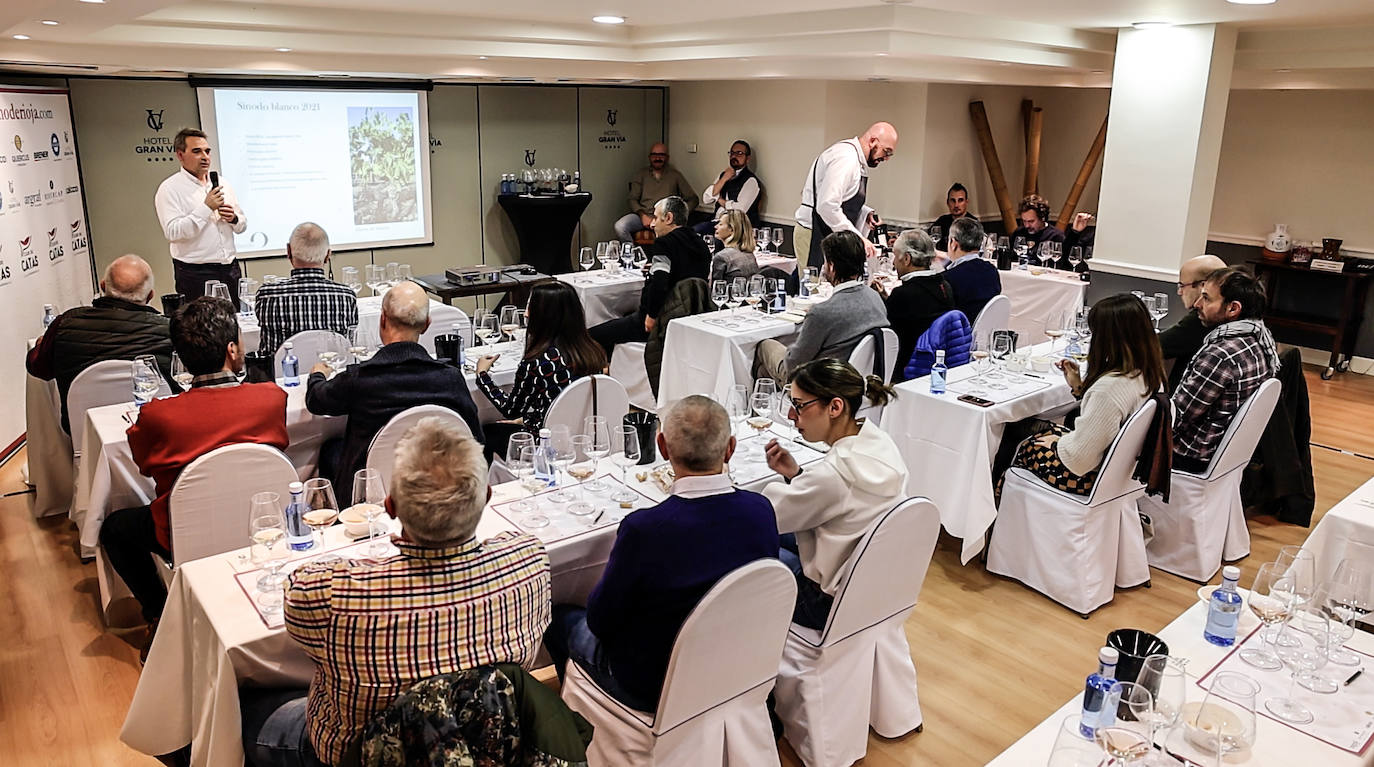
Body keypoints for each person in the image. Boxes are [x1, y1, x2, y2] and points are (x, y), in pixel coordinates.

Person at [243, 417, 550, 767]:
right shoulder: (531, 559)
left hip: (358, 757)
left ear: (389, 507)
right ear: (487, 497)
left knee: (243, 707)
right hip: (489, 742)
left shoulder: (327, 593)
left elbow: (297, 588)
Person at [544, 396, 778, 712]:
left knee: (558, 617)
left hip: (657, 683)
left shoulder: (645, 529)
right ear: (730, 448)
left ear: (663, 448)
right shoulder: (760, 509)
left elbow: (600, 621)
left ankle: (584, 727)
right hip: (738, 659)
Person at [99, 297, 287, 642]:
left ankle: (159, 616)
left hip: (183, 535)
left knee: (113, 528)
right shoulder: (271, 398)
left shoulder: (158, 416)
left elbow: (143, 465)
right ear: (232, 350)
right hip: (262, 524)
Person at [304, 281, 483, 507]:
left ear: (382, 320)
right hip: (436, 484)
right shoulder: (450, 378)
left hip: (369, 491)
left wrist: (317, 375)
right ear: (427, 325)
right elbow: (475, 439)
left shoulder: (361, 378)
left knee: (331, 449)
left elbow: (316, 401)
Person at [761, 359, 907, 629]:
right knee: (776, 541)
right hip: (869, 588)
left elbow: (765, 515)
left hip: (822, 604)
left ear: (835, 407)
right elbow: (837, 503)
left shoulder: (833, 475)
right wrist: (796, 475)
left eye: (799, 405)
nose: (792, 416)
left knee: (745, 549)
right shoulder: (881, 443)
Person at [993, 294, 1166, 501]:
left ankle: (996, 509)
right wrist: (1079, 388)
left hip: (1085, 476)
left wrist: (1057, 445)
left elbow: (1078, 461)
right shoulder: (1149, 375)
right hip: (1119, 475)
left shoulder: (1108, 388)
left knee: (1016, 440)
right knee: (1025, 427)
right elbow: (1105, 420)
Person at [26, 254, 176, 433]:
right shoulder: (170, 330)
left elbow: (37, 368)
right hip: (156, 434)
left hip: (85, 438)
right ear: (151, 295)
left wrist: (44, 342)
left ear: (102, 285)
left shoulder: (65, 323)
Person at [475, 281, 607, 459]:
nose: (526, 313)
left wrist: (482, 375)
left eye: (530, 307)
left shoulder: (537, 361)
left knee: (485, 432)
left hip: (544, 442)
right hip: (586, 436)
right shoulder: (593, 350)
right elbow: (568, 400)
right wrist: (526, 419)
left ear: (542, 315)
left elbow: (511, 409)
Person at [1172, 268, 1279, 474]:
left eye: (1206, 298)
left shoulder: (1221, 354)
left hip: (1189, 457)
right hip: (1225, 459)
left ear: (1233, 309)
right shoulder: (1260, 339)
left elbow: (1176, 419)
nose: (1197, 305)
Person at [754, 231, 888, 384]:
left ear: (831, 266)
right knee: (764, 371)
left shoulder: (822, 312)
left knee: (764, 344)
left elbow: (792, 365)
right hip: (858, 377)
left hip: (822, 381)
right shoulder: (875, 298)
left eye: (825, 262)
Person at [590, 196, 710, 359]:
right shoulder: (700, 244)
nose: (652, 224)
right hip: (689, 318)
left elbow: (660, 283)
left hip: (661, 319)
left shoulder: (664, 244)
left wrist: (651, 316)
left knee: (590, 336)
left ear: (668, 218)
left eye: (655, 217)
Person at [154, 128, 247, 306]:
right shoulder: (169, 188)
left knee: (235, 323)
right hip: (195, 273)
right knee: (201, 328)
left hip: (230, 268)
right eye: (197, 151)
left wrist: (234, 218)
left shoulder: (222, 183)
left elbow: (242, 224)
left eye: (207, 151)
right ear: (180, 155)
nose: (205, 156)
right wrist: (206, 208)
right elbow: (173, 232)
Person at [793, 122, 899, 269]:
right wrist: (857, 238)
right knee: (816, 288)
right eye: (886, 152)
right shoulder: (846, 158)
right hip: (814, 233)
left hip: (829, 234)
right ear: (873, 141)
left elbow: (842, 198)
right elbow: (827, 205)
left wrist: (865, 213)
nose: (886, 158)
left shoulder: (856, 159)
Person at [252, 223, 359, 356]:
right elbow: (350, 343)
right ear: (328, 255)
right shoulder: (347, 296)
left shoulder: (266, 295)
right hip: (334, 373)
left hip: (281, 375)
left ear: (288, 251)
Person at [872, 229, 954, 382]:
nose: (894, 263)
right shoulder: (944, 286)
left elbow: (888, 334)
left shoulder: (903, 295)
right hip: (938, 363)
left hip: (907, 369)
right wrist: (886, 297)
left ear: (907, 259)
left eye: (896, 256)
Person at [1159, 254, 1228, 393]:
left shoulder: (1207, 319)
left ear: (1204, 285)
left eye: (1182, 285)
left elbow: (1156, 346)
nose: (1179, 292)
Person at [614, 143, 698, 242]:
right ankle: (634, 254)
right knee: (620, 226)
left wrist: (678, 215)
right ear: (649, 157)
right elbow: (632, 199)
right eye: (654, 155)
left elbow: (693, 199)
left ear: (667, 158)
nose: (657, 158)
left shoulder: (675, 175)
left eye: (661, 155)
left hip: (665, 218)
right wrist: (642, 216)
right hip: (644, 215)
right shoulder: (641, 174)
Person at [694, 140, 763, 236]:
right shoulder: (723, 175)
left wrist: (719, 199)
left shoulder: (751, 181)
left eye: (739, 153)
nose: (734, 156)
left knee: (710, 239)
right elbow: (706, 199)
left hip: (737, 228)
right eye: (732, 153)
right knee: (693, 233)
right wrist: (724, 179)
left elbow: (739, 210)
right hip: (717, 222)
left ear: (747, 159)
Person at [942, 217, 1001, 323]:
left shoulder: (948, 279)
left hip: (960, 336)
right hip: (987, 332)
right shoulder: (992, 271)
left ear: (953, 243)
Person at [709, 209, 761, 283]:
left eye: (720, 224)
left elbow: (717, 290)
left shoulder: (721, 257)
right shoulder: (749, 254)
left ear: (732, 230)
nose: (715, 227)